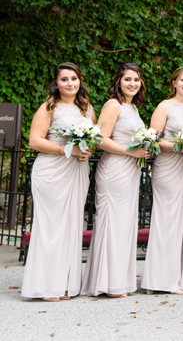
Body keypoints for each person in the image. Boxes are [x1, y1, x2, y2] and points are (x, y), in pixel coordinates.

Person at [21, 63, 97, 301]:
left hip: (77, 170)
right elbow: (35, 141)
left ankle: (65, 283)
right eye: (64, 79)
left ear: (80, 81)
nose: (70, 83)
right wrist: (68, 149)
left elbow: (93, 139)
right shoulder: (48, 107)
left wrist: (87, 151)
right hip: (52, 171)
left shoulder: (87, 109)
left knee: (71, 225)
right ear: (56, 83)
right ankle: (46, 286)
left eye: (74, 78)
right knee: (51, 225)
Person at [82, 62, 150, 298]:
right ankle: (107, 283)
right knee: (112, 222)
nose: (132, 83)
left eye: (136, 79)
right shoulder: (113, 105)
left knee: (124, 224)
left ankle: (118, 280)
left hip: (130, 171)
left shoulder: (133, 109)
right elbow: (100, 140)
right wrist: (132, 152)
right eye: (127, 79)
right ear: (118, 81)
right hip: (114, 169)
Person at [141, 66, 183, 295]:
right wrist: (180, 147)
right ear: (175, 82)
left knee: (181, 220)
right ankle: (160, 280)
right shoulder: (164, 106)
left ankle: (177, 277)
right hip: (169, 167)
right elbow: (153, 140)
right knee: (166, 218)